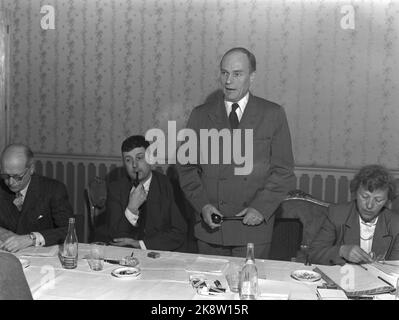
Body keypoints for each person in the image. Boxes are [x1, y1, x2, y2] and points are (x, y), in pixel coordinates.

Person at [177, 47, 296, 258]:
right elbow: (186, 169)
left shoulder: (273, 114)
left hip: (253, 229)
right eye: (224, 73)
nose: (228, 81)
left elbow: (283, 172)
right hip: (210, 228)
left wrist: (260, 208)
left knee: (247, 288)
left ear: (252, 77)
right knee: (207, 289)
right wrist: (202, 205)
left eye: (237, 74)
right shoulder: (200, 115)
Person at [107, 135, 187, 251]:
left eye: (139, 158)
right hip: (127, 258)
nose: (134, 165)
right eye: (128, 160)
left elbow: (179, 233)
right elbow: (116, 238)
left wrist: (141, 244)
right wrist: (131, 209)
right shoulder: (116, 189)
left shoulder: (169, 186)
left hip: (161, 256)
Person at [309, 165, 399, 265]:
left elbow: (395, 267)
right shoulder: (337, 214)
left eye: (378, 200)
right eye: (364, 197)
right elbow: (313, 254)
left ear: (387, 201)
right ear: (355, 193)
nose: (369, 205)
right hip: (343, 278)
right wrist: (341, 251)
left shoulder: (396, 224)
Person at [0, 144, 74, 252]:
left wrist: (31, 239)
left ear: (31, 169)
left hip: (42, 260)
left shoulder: (53, 189)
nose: (11, 182)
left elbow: (68, 230)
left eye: (17, 177)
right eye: (5, 176)